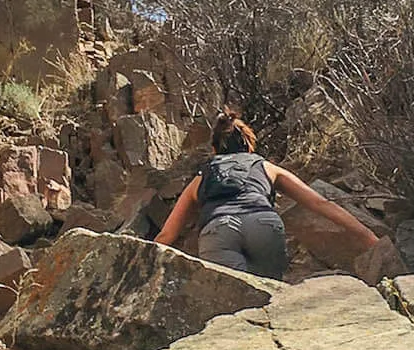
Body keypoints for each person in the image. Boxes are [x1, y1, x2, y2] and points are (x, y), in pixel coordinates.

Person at [154, 111, 384, 280]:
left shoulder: (201, 177)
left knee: (232, 304)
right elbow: (320, 203)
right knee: (268, 295)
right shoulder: (266, 167)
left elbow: (167, 234)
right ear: (249, 146)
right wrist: (367, 235)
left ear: (214, 150)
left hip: (219, 228)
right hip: (263, 224)